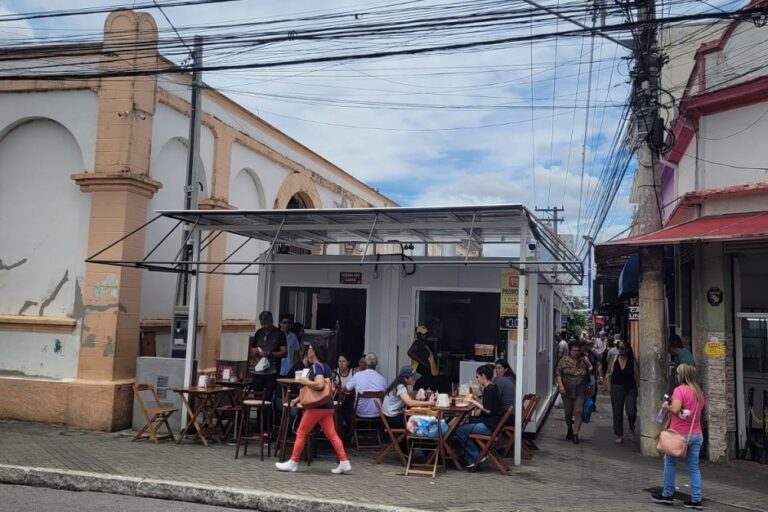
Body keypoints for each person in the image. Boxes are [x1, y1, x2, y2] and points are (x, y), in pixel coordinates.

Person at [275, 343, 351, 474]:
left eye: (310, 350)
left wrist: (305, 381)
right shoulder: (326, 367)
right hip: (327, 406)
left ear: (314, 353)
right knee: (332, 434)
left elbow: (319, 385)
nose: (307, 352)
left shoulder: (316, 366)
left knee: (301, 432)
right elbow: (317, 389)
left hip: (317, 407)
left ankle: (293, 462)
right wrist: (298, 399)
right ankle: (344, 461)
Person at [652, 363, 706, 510]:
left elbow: (675, 409)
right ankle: (696, 499)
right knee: (694, 467)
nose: (676, 376)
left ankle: (667, 494)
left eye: (677, 374)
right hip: (696, 434)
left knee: (669, 462)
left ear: (682, 375)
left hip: (679, 435)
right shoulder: (699, 393)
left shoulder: (679, 390)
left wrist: (665, 406)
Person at [455, 364, 504, 469]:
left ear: (483, 376)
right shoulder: (493, 386)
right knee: (466, 425)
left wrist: (472, 401)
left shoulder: (489, 389)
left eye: (477, 377)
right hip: (494, 424)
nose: (476, 379)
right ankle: (472, 455)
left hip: (489, 425)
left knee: (460, 430)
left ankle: (475, 456)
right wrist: (476, 399)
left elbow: (487, 409)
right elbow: (488, 404)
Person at [249, 311, 287, 429]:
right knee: (257, 398)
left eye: (266, 324)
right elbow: (252, 348)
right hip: (258, 370)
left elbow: (284, 352)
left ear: (271, 322)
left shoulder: (279, 334)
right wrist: (255, 352)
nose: (264, 326)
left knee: (267, 398)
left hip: (272, 370)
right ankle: (258, 427)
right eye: (262, 324)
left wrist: (269, 353)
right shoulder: (259, 333)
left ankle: (267, 428)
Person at [555, 341, 590, 444]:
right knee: (568, 412)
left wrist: (588, 386)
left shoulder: (584, 361)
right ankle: (569, 428)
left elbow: (589, 374)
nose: (576, 352)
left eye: (578, 350)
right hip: (567, 390)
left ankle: (575, 433)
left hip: (580, 390)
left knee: (578, 411)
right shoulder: (564, 361)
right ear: (570, 350)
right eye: (574, 350)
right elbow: (558, 373)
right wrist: (560, 386)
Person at [606, 340, 639, 443]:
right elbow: (608, 371)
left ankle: (631, 427)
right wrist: (604, 383)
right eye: (618, 347)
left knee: (631, 411)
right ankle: (619, 434)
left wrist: (638, 386)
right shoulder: (614, 358)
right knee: (617, 411)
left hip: (630, 388)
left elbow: (637, 374)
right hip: (616, 387)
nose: (619, 350)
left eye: (622, 348)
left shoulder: (632, 361)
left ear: (627, 350)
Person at [345, 352, 387, 418]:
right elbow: (385, 393)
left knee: (347, 403)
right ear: (376, 364)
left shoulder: (358, 375)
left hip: (360, 412)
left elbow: (346, 388)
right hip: (377, 412)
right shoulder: (382, 379)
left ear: (366, 363)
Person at [407, 325, 438, 391]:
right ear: (418, 334)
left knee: (426, 390)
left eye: (426, 334)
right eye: (423, 334)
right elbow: (410, 352)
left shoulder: (423, 343)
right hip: (421, 370)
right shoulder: (417, 343)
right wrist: (422, 361)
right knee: (421, 389)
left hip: (425, 371)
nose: (425, 336)